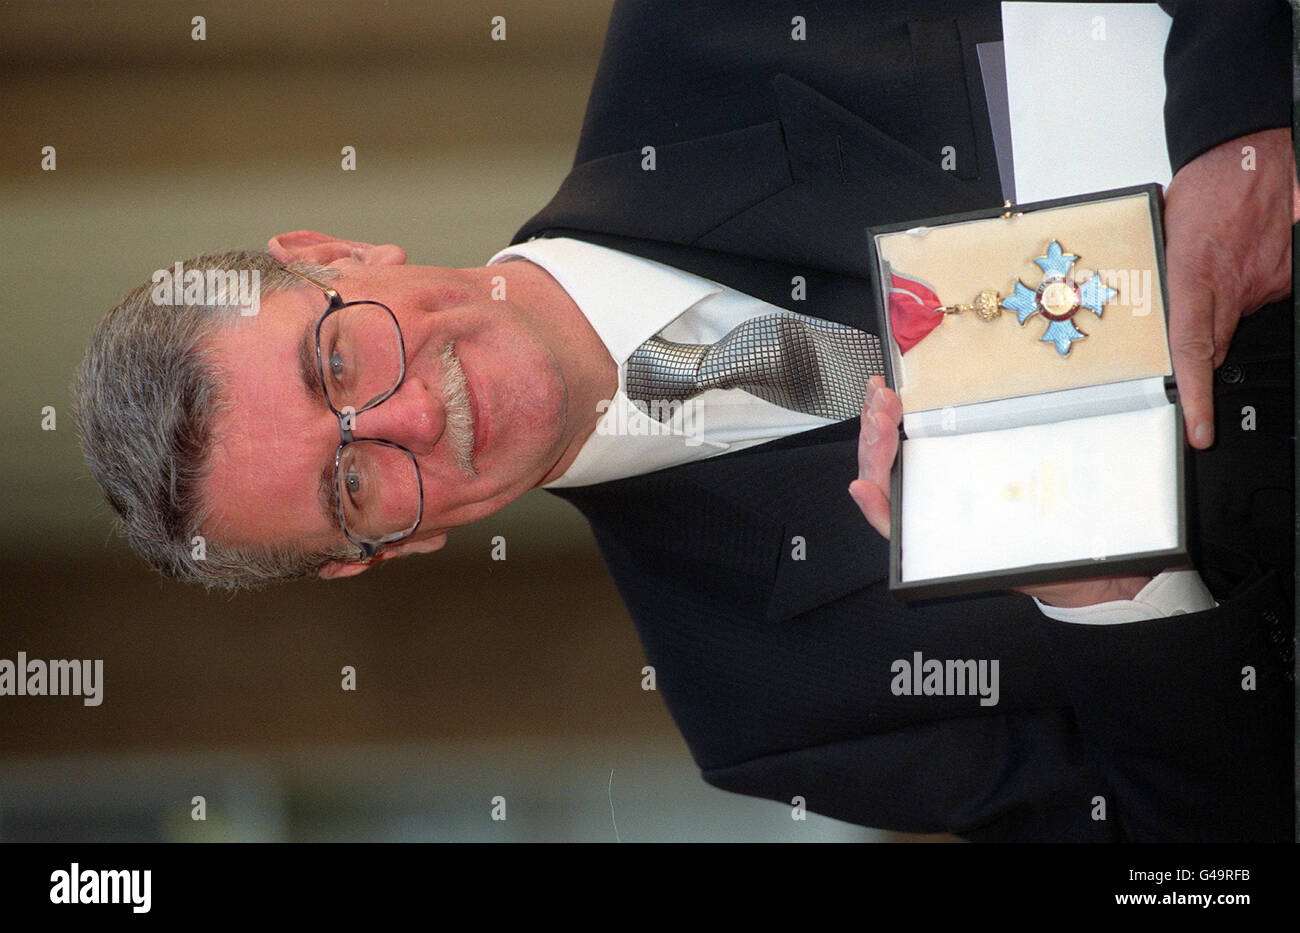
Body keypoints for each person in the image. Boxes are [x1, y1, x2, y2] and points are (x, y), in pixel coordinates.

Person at [75, 0, 1294, 840]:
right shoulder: (759, 714)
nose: (405, 418)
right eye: (353, 488)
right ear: (391, 550)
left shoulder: (704, 27)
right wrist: (1110, 601)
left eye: (335, 363)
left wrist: (1238, 114)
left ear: (336, 252)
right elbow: (1207, 867)